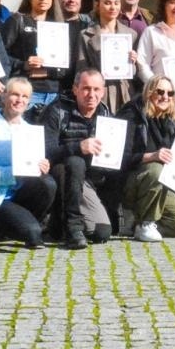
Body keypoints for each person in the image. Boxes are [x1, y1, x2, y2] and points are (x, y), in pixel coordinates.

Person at [44, 69, 123, 248]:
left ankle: (58, 221)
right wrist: (78, 147)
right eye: (86, 88)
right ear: (75, 89)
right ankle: (73, 228)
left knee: (102, 232)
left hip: (87, 179)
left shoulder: (105, 115)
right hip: (59, 171)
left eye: (96, 89)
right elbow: (45, 151)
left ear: (103, 91)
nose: (92, 94)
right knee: (75, 162)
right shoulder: (57, 111)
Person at [0, 78, 56, 251]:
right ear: (4, 96)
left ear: (29, 101)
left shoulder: (30, 130)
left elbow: (33, 168)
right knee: (32, 233)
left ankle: (20, 222)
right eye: (14, 94)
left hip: (19, 193)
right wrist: (14, 172)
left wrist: (41, 167)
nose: (19, 100)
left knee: (47, 184)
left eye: (24, 96)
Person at [120, 75, 175, 243]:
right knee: (155, 168)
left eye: (170, 93)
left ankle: (137, 225)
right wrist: (151, 156)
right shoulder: (131, 114)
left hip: (160, 182)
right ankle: (146, 223)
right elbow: (120, 157)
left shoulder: (170, 121)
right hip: (130, 181)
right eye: (160, 92)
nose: (165, 97)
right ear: (149, 92)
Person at [1, 0, 68, 111]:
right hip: (26, 92)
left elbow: (66, 65)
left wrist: (45, 71)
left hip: (54, 93)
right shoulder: (17, 20)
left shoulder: (59, 26)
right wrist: (24, 64)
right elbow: (0, 55)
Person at [78, 0, 142, 114]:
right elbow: (81, 70)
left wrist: (134, 62)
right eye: (107, 3)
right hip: (99, 93)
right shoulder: (85, 35)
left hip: (125, 92)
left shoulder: (131, 34)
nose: (113, 7)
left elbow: (136, 73)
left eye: (116, 3)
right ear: (98, 5)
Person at [56, 0, 92, 94]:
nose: (72, 0)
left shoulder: (90, 26)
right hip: (53, 87)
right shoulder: (47, 25)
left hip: (81, 88)